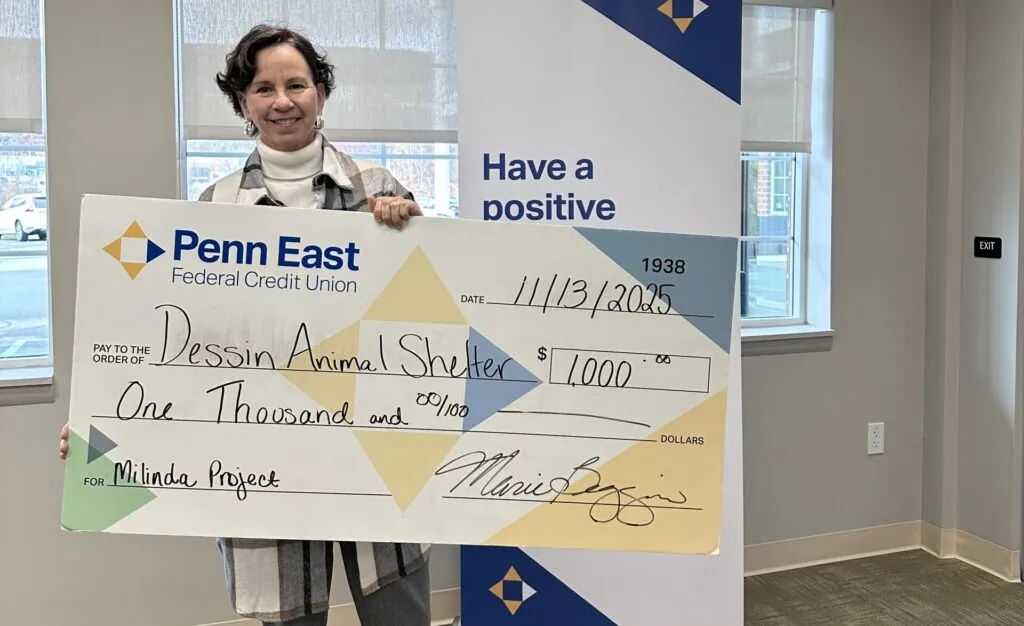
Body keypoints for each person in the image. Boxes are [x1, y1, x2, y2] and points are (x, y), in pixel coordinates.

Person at [58, 24, 431, 626]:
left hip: (373, 444)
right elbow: (177, 341)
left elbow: (432, 313)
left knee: (399, 612)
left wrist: (415, 229)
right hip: (264, 450)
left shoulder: (378, 188)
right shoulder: (215, 208)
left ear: (321, 93)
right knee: (291, 614)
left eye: (296, 85)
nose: (282, 101)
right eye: (263, 88)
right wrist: (103, 421)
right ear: (242, 103)